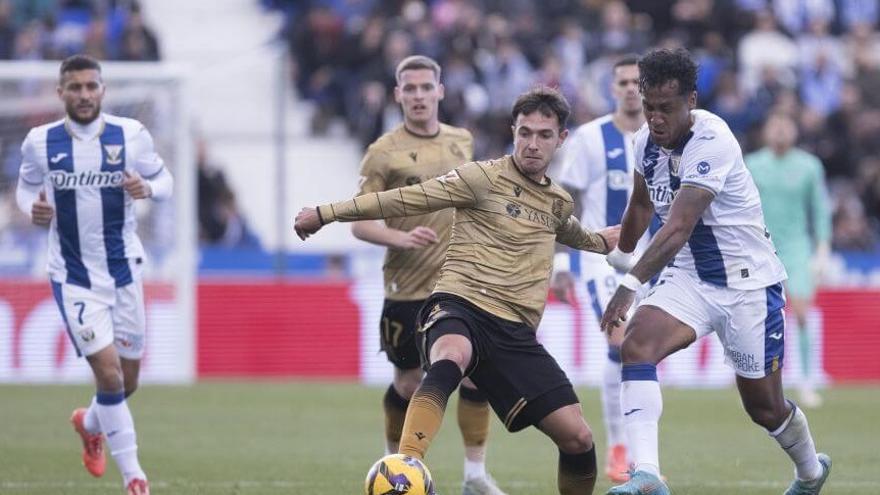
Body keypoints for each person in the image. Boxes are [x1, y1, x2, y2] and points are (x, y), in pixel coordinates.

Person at [296, 85, 620, 495]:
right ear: (512, 130)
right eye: (524, 132)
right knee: (452, 355)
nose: (532, 143)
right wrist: (325, 214)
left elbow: (567, 230)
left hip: (514, 333)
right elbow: (404, 198)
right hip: (459, 305)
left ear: (561, 139)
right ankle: (406, 466)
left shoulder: (557, 201)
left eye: (543, 134)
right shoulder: (480, 178)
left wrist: (600, 242)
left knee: (578, 438)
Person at [599, 48, 831, 495]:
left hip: (747, 284)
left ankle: (809, 471)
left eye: (666, 108)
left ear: (691, 100)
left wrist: (630, 285)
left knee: (764, 408)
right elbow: (643, 205)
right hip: (690, 277)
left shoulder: (713, 139)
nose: (656, 118)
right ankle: (646, 476)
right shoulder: (643, 142)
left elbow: (679, 226)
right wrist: (621, 254)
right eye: (649, 107)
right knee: (638, 345)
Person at [15, 54, 173, 495]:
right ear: (60, 92)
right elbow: (26, 188)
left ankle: (89, 422)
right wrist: (33, 208)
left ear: (102, 90)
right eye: (75, 87)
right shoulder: (39, 142)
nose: (84, 94)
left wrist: (148, 189)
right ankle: (135, 478)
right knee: (109, 377)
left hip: (124, 272)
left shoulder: (131, 135)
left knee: (129, 381)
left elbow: (166, 181)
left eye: (91, 86)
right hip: (73, 276)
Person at [349, 54, 506, 495]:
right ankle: (394, 462)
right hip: (407, 285)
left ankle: (475, 475)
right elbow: (360, 222)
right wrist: (401, 239)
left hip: (460, 284)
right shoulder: (383, 152)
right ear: (398, 95)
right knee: (409, 381)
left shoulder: (463, 141)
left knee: (476, 374)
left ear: (440, 91)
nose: (418, 96)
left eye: (425, 88)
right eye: (409, 89)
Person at [551, 54, 653, 484]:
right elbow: (564, 201)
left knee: (642, 353)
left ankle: (640, 451)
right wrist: (559, 262)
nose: (631, 88)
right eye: (624, 82)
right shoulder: (590, 138)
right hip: (602, 262)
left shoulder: (662, 137)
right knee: (620, 340)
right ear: (613, 88)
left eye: (637, 82)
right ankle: (620, 446)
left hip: (656, 260)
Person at [746, 113, 832, 409]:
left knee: (803, 312)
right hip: (761, 246)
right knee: (754, 315)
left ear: (794, 131)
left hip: (797, 247)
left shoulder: (809, 166)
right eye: (775, 125)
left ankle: (807, 380)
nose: (780, 130)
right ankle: (756, 378)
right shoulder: (753, 164)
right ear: (766, 131)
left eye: (786, 125)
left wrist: (822, 249)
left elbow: (820, 209)